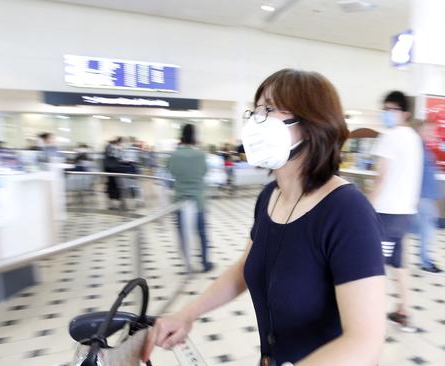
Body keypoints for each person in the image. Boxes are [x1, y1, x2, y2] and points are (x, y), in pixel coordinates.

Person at [143, 69, 385, 366]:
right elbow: (246, 267)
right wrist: (187, 313)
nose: (257, 121)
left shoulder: (347, 211)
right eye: (256, 110)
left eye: (269, 110)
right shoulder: (270, 196)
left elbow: (364, 342)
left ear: (312, 124)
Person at [369, 90, 423, 332]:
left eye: (392, 110)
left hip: (386, 213)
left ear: (405, 113)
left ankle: (365, 322)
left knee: (372, 265)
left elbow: (381, 177)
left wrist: (365, 206)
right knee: (398, 263)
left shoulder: (390, 137)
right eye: (385, 109)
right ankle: (404, 311)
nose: (387, 114)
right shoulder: (413, 137)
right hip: (404, 213)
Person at [167, 124, 212, 273]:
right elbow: (204, 172)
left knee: (183, 235)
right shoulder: (201, 155)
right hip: (198, 201)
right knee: (202, 234)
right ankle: (205, 263)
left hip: (179, 201)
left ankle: (187, 264)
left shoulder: (173, 155)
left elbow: (171, 172)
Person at [411, 121, 444, 274]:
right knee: (427, 230)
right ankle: (426, 262)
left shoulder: (424, 148)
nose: (432, 134)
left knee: (425, 229)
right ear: (420, 130)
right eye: (429, 130)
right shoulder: (416, 148)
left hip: (427, 197)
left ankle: (425, 260)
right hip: (422, 197)